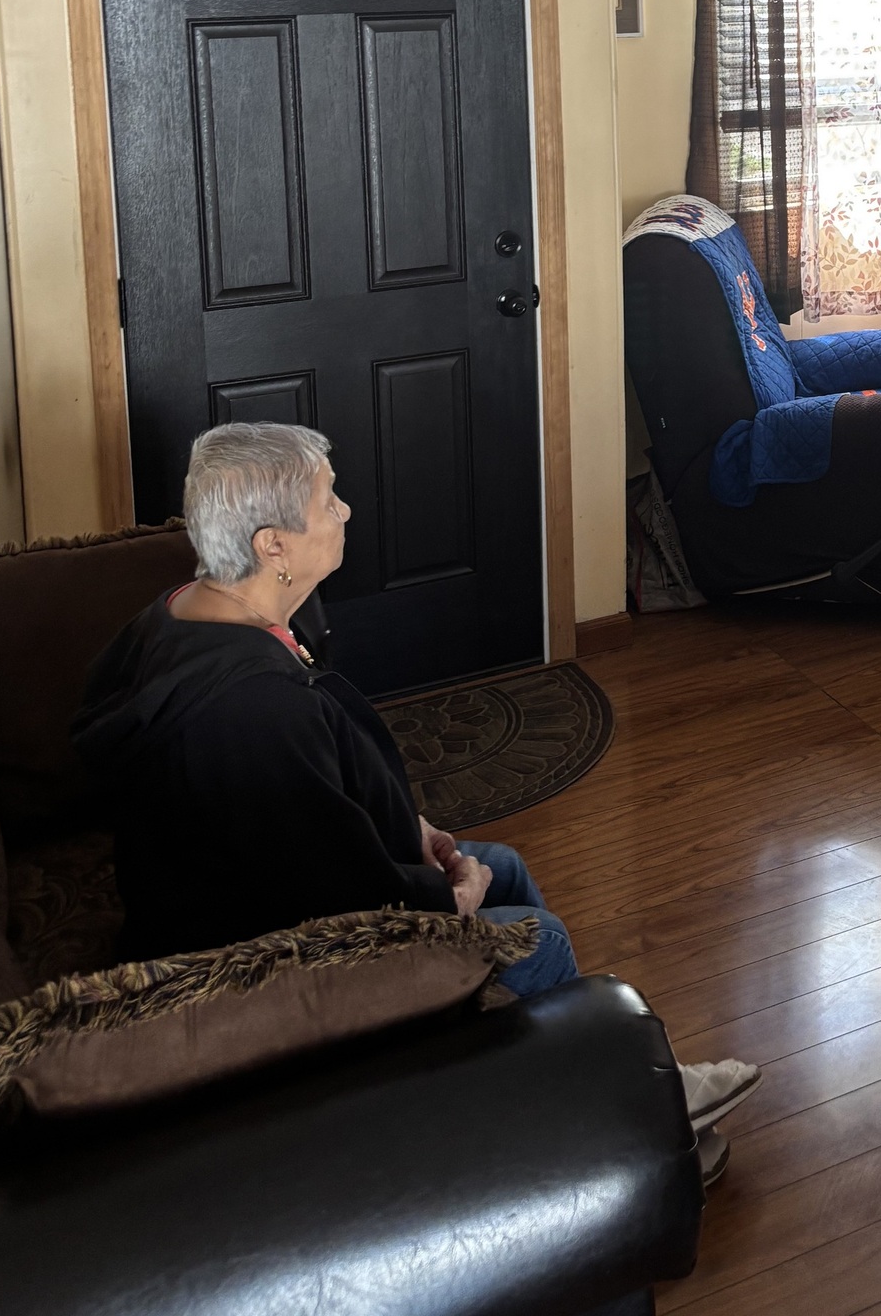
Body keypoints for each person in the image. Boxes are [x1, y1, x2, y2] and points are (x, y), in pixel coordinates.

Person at [74, 422, 759, 1178]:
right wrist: (447, 899)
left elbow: (306, 809)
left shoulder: (182, 609)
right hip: (251, 960)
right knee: (539, 938)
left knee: (504, 864)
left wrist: (408, 823)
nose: (345, 512)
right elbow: (336, 905)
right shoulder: (251, 709)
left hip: (233, 882)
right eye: (328, 501)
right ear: (273, 546)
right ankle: (630, 1124)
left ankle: (597, 1082)